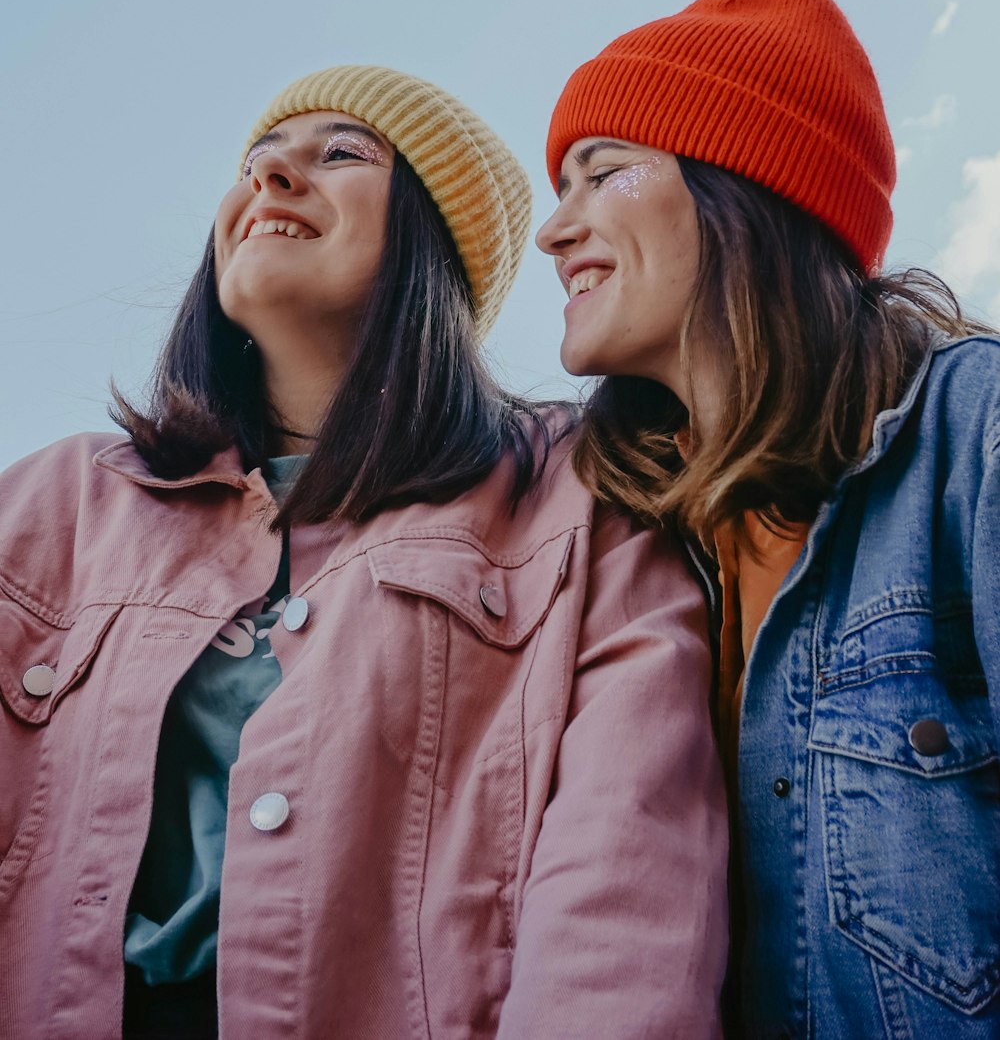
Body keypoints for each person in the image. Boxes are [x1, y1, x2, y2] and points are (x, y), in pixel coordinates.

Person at [0, 64, 728, 1040]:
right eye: (256, 163)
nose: (272, 180)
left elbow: (624, 881)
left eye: (340, 153)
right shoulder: (54, 503)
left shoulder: (575, 494)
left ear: (442, 243)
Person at [536, 0, 1000, 1040]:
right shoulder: (616, 533)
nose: (553, 232)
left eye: (601, 173)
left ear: (741, 192)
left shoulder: (969, 430)